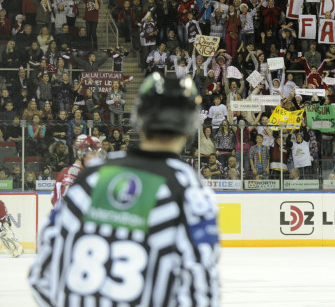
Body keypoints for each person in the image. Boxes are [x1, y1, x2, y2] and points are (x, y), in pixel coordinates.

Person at [29, 74, 220, 306]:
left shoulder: (93, 176)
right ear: (191, 127)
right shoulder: (189, 190)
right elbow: (200, 294)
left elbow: (41, 276)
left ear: (137, 117)